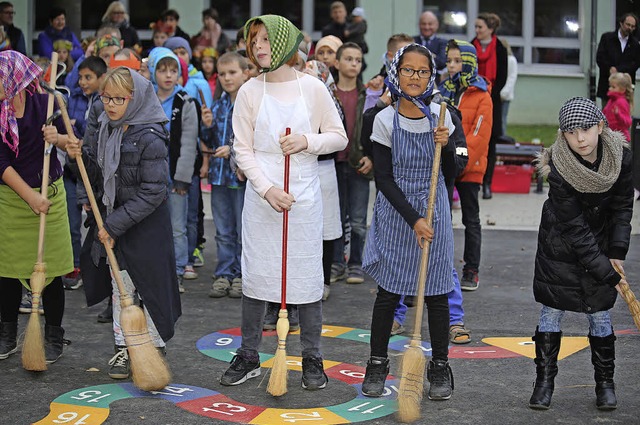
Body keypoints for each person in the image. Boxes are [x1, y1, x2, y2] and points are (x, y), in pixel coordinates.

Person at [220, 15, 347, 389]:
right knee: (257, 275)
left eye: (265, 39)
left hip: (304, 196)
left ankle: (312, 356)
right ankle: (248, 354)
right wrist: (267, 189)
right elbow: (242, 150)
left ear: (285, 43)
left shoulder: (313, 88)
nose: (258, 46)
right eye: (253, 40)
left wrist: (309, 141)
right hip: (262, 198)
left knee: (306, 278)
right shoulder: (248, 91)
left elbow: (338, 137)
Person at [66, 66, 181, 380]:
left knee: (149, 287)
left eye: (119, 98)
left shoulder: (151, 134)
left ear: (136, 98)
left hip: (145, 225)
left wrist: (113, 225)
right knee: (122, 287)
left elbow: (154, 190)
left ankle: (154, 347)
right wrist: (76, 157)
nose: (111, 105)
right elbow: (98, 179)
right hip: (114, 222)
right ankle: (124, 346)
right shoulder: (106, 127)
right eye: (106, 98)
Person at [361, 43, 455, 400]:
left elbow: (452, 174)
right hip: (398, 211)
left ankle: (441, 367)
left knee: (437, 293)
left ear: (431, 76)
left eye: (423, 71)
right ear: (396, 72)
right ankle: (376, 363)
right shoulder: (383, 119)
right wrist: (413, 219)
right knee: (388, 293)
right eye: (408, 70)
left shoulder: (442, 116)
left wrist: (446, 147)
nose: (415, 77)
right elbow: (383, 179)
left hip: (435, 211)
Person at [528, 97, 633, 410]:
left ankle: (605, 384)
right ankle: (544, 382)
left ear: (600, 126)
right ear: (563, 135)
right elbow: (574, 229)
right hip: (559, 245)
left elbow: (622, 207)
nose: (580, 138)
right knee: (551, 310)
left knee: (599, 313)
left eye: (586, 129)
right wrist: (606, 271)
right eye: (571, 132)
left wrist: (616, 251)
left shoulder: (621, 158)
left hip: (600, 243)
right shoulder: (560, 168)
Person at [0, 51, 73, 363]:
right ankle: (7, 333)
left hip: (50, 196)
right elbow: (0, 162)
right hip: (12, 201)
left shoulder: (46, 106)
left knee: (52, 272)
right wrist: (30, 198)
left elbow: (74, 144)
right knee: (7, 272)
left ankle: (54, 333)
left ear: (14, 79)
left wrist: (56, 138)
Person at [439, 40, 492, 292]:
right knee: (442, 217)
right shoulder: (442, 91)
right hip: (447, 165)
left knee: (471, 219)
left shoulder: (482, 96)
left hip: (469, 166)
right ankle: (441, 266)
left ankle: (471, 269)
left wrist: (459, 162)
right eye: (449, 60)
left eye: (457, 61)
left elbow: (479, 136)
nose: (451, 65)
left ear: (469, 63)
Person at [147, 47, 199, 292]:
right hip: (150, 177)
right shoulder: (146, 100)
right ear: (152, 72)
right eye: (162, 70)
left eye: (173, 70)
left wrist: (182, 179)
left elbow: (189, 142)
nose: (168, 75)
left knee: (177, 226)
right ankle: (156, 270)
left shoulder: (186, 101)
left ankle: (177, 270)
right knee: (153, 226)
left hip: (175, 174)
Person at [202, 51, 248, 299]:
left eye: (232, 73)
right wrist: (207, 126)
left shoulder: (250, 104)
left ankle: (241, 274)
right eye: (222, 74)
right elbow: (209, 142)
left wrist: (233, 149)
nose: (227, 78)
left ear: (245, 73)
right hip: (219, 178)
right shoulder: (218, 105)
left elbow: (254, 138)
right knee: (222, 230)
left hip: (241, 179)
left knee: (242, 230)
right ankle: (223, 273)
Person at [330, 42, 371, 284]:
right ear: (337, 63)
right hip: (333, 163)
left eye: (358, 60)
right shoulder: (327, 93)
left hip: (358, 163)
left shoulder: (368, 94)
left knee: (357, 219)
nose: (354, 63)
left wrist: (371, 157)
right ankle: (336, 262)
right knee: (335, 217)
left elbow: (376, 129)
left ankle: (356, 263)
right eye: (348, 59)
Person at [472, 12, 507, 200]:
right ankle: (472, 181)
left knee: (490, 144)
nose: (477, 30)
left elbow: (502, 76)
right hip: (473, 98)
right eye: (476, 27)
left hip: (491, 101)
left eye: (480, 27)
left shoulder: (499, 48)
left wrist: (489, 93)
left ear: (490, 29)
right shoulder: (471, 46)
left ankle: (487, 183)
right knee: (473, 140)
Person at [596, 13, 640, 105]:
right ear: (621, 23)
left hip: (625, 87)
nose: (630, 28)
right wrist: (609, 69)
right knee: (607, 114)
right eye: (628, 25)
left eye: (633, 26)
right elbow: (600, 57)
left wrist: (618, 70)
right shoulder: (607, 38)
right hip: (607, 84)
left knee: (623, 115)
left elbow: (635, 63)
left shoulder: (635, 44)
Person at [413, 11, 447, 78]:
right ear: (419, 25)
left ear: (436, 25)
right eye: (424, 24)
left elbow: (442, 62)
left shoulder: (443, 43)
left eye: (430, 24)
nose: (427, 27)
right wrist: (432, 56)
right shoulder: (412, 41)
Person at [602, 72, 633, 142]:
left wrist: (618, 114)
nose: (610, 89)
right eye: (610, 86)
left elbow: (628, 122)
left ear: (623, 89)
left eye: (613, 87)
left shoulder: (621, 102)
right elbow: (605, 114)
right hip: (611, 137)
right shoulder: (611, 100)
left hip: (621, 139)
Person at [500, 39, 517, 136]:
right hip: (495, 95)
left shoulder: (511, 60)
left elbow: (511, 78)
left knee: (502, 118)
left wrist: (503, 94)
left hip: (505, 96)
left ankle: (502, 137)